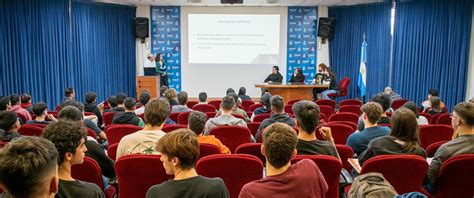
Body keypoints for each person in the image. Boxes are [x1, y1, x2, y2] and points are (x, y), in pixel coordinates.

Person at [239, 123, 328, 197]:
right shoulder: (309, 167)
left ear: (263, 150)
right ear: (294, 154)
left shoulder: (249, 192)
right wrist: (330, 140)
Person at [146, 129, 230, 197]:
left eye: (162, 155)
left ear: (175, 161)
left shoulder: (156, 193)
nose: (161, 159)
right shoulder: (216, 187)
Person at [42, 120, 104, 197]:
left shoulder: (37, 190)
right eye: (81, 146)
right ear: (68, 155)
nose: (85, 149)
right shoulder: (92, 193)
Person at [57, 106, 116, 181]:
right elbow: (111, 170)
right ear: (81, 122)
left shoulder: (51, 144)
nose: (84, 149)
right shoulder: (90, 145)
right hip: (90, 185)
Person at [425, 102, 474, 191]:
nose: (451, 118)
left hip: (446, 191)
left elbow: (429, 178)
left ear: (458, 121)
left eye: (452, 116)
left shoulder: (446, 149)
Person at [358, 108, 426, 165]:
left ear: (393, 124)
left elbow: (361, 162)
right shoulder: (420, 153)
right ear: (415, 126)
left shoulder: (376, 144)